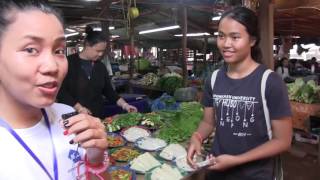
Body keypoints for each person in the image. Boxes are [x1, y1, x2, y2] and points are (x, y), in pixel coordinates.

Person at [0, 1, 109, 179]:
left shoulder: (69, 118)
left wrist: (95, 160)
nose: (52, 67)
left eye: (59, 51)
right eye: (31, 49)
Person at [187, 7, 292, 180]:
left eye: (235, 37)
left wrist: (237, 160)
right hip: (216, 170)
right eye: (221, 36)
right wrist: (197, 137)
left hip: (255, 174)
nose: (226, 44)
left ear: (252, 40)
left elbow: (283, 141)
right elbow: (208, 121)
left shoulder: (270, 82)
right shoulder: (213, 79)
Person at [58, 26, 137, 119]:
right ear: (87, 45)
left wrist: (125, 105)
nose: (100, 54)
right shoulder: (68, 63)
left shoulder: (100, 67)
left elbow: (109, 91)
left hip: (96, 116)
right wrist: (79, 108)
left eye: (102, 51)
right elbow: (61, 92)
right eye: (98, 51)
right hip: (72, 116)